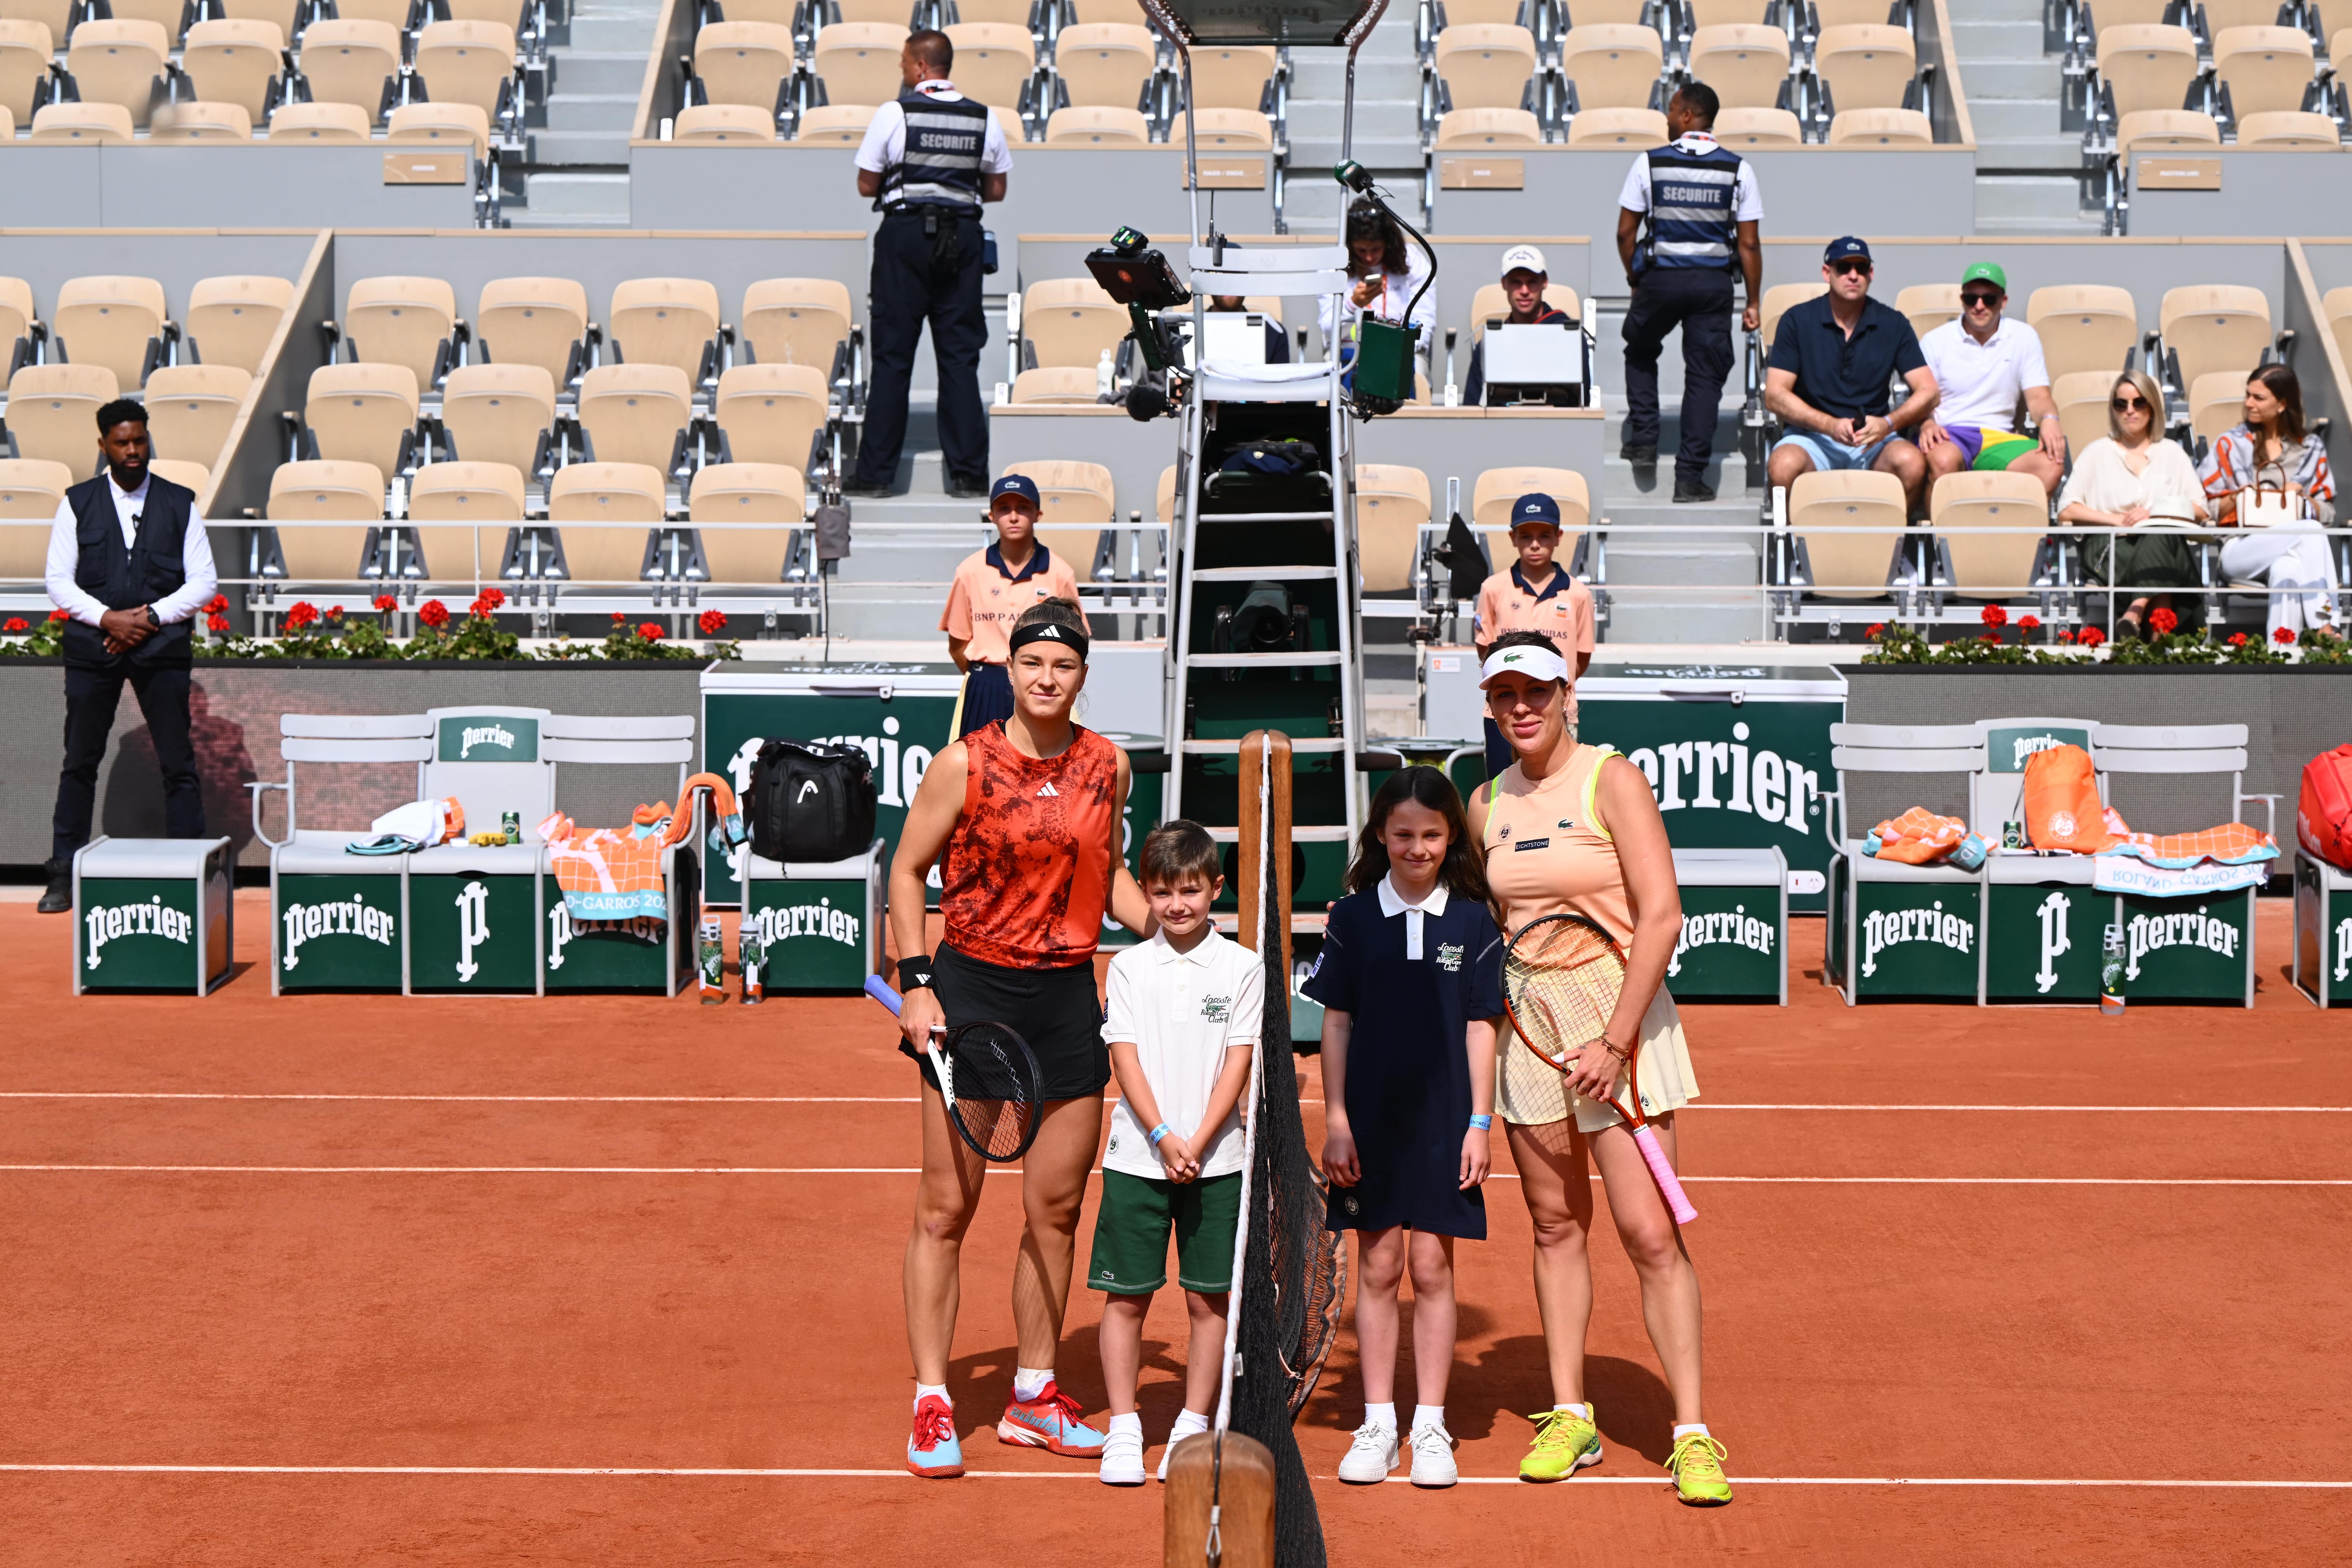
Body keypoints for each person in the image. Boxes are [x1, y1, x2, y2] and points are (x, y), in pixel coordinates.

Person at [888, 597, 1152, 1479]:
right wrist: (917, 983)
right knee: (944, 1208)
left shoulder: (1106, 763)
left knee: (1055, 1211)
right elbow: (906, 869)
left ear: (1082, 674)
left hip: (1066, 998)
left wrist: (1171, 928)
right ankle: (933, 1398)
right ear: (1009, 669)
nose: (1047, 677)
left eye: (1064, 665)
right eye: (1033, 662)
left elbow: (1104, 874)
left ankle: (1032, 1394)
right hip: (969, 993)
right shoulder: (963, 761)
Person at [1467, 630, 1731, 1507]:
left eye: (1534, 689)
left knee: (1649, 1232)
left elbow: (1660, 914)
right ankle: (1569, 1412)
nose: (1521, 706)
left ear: (1564, 687)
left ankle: (1690, 1432)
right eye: (1504, 692)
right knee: (1552, 1224)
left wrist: (1613, 1040)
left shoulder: (1609, 778)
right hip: (1531, 1030)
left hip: (1617, 1022)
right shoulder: (1484, 802)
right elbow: (1481, 934)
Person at [1304, 767, 1503, 1491]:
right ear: (1380, 836)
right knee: (1380, 1266)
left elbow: (1483, 1026)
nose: (1415, 847)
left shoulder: (1474, 920)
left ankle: (1430, 1423)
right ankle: (1380, 1420)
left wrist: (1479, 1123)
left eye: (1430, 834)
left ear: (1450, 837)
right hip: (1370, 1124)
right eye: (1401, 835)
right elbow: (1333, 1021)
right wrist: (1336, 1119)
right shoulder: (1352, 918)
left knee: (1431, 1267)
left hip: (1448, 1121)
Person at [1087, 819, 1260, 1486]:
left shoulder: (1242, 966)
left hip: (1218, 1159)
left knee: (1207, 1300)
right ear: (1147, 895)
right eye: (1162, 893)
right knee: (1126, 1298)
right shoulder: (1128, 965)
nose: (1177, 904)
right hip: (1139, 1155)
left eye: (1190, 890)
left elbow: (1237, 1062)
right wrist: (1161, 1135)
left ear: (1215, 887)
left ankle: (1192, 1422)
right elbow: (1123, 1055)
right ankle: (1125, 1427)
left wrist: (1201, 1136)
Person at [39, 397, 218, 914]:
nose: (134, 450)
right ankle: (63, 875)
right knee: (79, 763)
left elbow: (204, 581)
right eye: (122, 442)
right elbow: (58, 580)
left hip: (161, 647)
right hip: (94, 648)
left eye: (140, 439)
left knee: (179, 763)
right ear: (103, 446)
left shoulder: (180, 502)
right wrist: (108, 619)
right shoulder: (77, 502)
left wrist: (150, 619)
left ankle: (193, 870)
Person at [847, 28, 1011, 500]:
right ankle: (969, 475)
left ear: (920, 67)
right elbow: (997, 191)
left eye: (904, 62)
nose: (901, 70)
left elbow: (865, 184)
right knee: (960, 358)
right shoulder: (984, 117)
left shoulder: (894, 113)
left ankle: (877, 476)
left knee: (894, 358)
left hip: (905, 239)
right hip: (963, 240)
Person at [1617, 82, 1763, 503]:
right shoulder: (1739, 169)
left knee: (1641, 349)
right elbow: (1750, 244)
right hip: (1713, 284)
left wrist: (1635, 279)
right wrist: (1752, 301)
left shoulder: (1649, 163)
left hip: (1660, 279)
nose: (1666, 117)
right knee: (1705, 375)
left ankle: (1644, 439)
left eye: (1671, 109)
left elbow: (1626, 232)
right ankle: (1689, 479)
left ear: (1686, 117)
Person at [1763, 237, 1938, 516]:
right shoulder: (1797, 320)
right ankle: (1801, 549)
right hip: (1812, 439)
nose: (1853, 275)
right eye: (1844, 267)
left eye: (1861, 267)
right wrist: (1829, 425)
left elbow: (1929, 391)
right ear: (1827, 273)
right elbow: (1774, 394)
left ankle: (1883, 548)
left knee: (1912, 463)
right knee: (1783, 465)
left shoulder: (1893, 323)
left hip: (1873, 441)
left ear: (1871, 274)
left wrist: (1888, 424)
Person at [2055, 369, 2209, 638]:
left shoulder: (2172, 453)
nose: (2130, 411)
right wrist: (2115, 520)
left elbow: (2200, 509)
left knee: (2160, 534)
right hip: (2110, 546)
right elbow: (2067, 510)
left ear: (2152, 407)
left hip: (2161, 544)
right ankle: (2159, 644)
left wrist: (2154, 514)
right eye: (2121, 404)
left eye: (2139, 403)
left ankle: (2135, 613)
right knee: (2166, 553)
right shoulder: (2097, 452)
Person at [939, 474, 1090, 737]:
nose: (1013, 516)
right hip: (986, 684)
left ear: (1038, 514)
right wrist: (993, 676)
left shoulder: (1059, 572)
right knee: (977, 772)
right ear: (991, 515)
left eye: (1023, 508)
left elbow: (1077, 641)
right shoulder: (970, 571)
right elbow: (957, 645)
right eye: (1004, 509)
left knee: (1051, 770)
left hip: (1043, 686)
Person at [2199, 363, 2341, 640]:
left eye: (2259, 398)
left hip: (2293, 548)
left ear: (2282, 404)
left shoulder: (2310, 449)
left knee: (2287, 570)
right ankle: (2326, 628)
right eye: (2248, 395)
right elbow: (2208, 509)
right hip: (2240, 548)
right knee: (2310, 530)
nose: (2248, 403)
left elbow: (2328, 512)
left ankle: (2281, 657)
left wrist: (2300, 500)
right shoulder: (2230, 444)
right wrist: (2239, 497)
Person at [1472, 492, 1595, 779]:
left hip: (1559, 711)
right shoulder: (1493, 588)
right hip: (1503, 714)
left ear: (1559, 536)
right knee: (1504, 790)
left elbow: (1582, 658)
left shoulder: (1578, 594)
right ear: (1513, 537)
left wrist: (1547, 689)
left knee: (1558, 786)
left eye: (1544, 535)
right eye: (1526, 536)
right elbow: (1485, 651)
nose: (1535, 544)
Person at [1916, 262, 2066, 497]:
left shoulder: (2024, 337)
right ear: (1962, 299)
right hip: (1948, 434)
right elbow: (1921, 395)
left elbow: (2039, 397)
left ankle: (2011, 533)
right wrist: (1926, 423)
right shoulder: (1935, 341)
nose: (1979, 306)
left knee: (2051, 466)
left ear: (2003, 301)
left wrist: (2049, 419)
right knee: (1944, 460)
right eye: (1971, 298)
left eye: (1989, 299)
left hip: (1999, 437)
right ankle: (1945, 534)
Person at [1320, 200, 1435, 376]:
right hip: (1349, 351)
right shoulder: (1333, 266)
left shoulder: (1413, 261)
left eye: (1375, 249)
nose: (1369, 258)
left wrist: (1396, 349)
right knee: (1332, 368)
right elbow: (1328, 329)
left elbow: (1424, 324)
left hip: (1400, 351)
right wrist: (1353, 305)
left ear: (1388, 243)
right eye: (1361, 251)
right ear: (1350, 246)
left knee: (1417, 369)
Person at [1461, 244, 1573, 407]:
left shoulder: (1569, 337)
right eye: (1517, 283)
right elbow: (1472, 407)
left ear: (1545, 282)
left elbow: (1581, 404)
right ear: (1504, 284)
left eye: (1532, 282)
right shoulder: (1490, 344)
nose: (1525, 291)